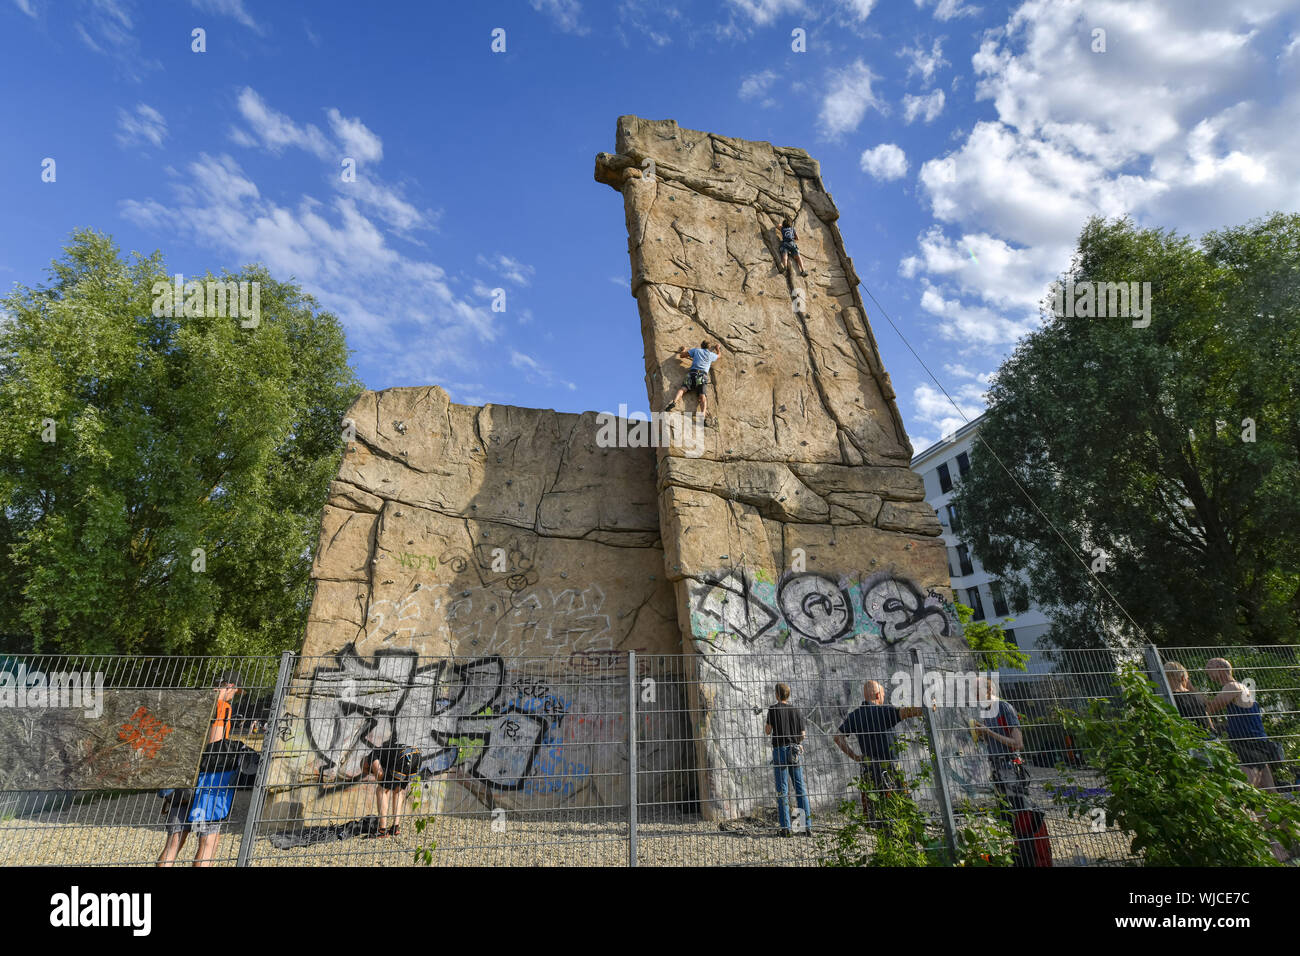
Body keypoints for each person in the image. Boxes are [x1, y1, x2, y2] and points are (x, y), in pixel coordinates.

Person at [158, 670, 247, 867]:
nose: (234, 696)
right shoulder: (222, 707)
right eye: (236, 692)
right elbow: (215, 745)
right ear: (230, 686)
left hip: (180, 776)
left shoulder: (191, 702)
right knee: (208, 842)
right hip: (206, 782)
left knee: (173, 842)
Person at [832, 680, 927, 826]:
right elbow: (909, 711)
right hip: (890, 766)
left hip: (869, 767)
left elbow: (837, 737)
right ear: (877, 695)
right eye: (883, 694)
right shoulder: (884, 711)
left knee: (874, 809)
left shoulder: (855, 715)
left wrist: (856, 756)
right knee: (899, 802)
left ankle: (880, 830)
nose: (883, 698)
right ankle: (899, 829)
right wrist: (926, 707)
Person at [1204, 658, 1284, 790]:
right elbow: (1242, 717)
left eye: (1209, 667)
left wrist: (1191, 689)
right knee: (1269, 791)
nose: (1207, 672)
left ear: (1220, 668)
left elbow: (1209, 709)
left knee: (1244, 790)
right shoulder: (1242, 687)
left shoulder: (1231, 687)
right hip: (1259, 741)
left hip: (1247, 745)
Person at [765, 683, 812, 838]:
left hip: (779, 750)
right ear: (788, 695)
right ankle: (805, 827)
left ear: (777, 695)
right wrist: (797, 743)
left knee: (782, 789)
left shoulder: (773, 709)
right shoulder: (796, 710)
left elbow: (768, 731)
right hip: (794, 750)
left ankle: (785, 828)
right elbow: (803, 734)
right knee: (800, 787)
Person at [365, 742, 420, 838]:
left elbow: (380, 774)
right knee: (398, 790)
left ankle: (382, 830)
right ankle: (395, 827)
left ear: (366, 764)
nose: (370, 773)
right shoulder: (383, 753)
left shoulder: (371, 756)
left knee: (381, 790)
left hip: (402, 758)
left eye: (368, 770)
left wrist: (379, 778)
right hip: (416, 756)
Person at [664, 340, 721, 423]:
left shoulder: (696, 350)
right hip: (702, 376)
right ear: (709, 347)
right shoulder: (710, 355)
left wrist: (683, 350)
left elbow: (682, 355)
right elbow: (719, 356)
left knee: (683, 389)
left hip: (692, 374)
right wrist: (717, 348)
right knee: (702, 397)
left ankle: (674, 402)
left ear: (701, 346)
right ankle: (703, 415)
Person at [1163, 661, 1216, 736]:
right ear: (1183, 678)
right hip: (1206, 735)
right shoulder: (1196, 696)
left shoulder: (1168, 698)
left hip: (1188, 737)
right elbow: (1206, 713)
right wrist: (1212, 729)